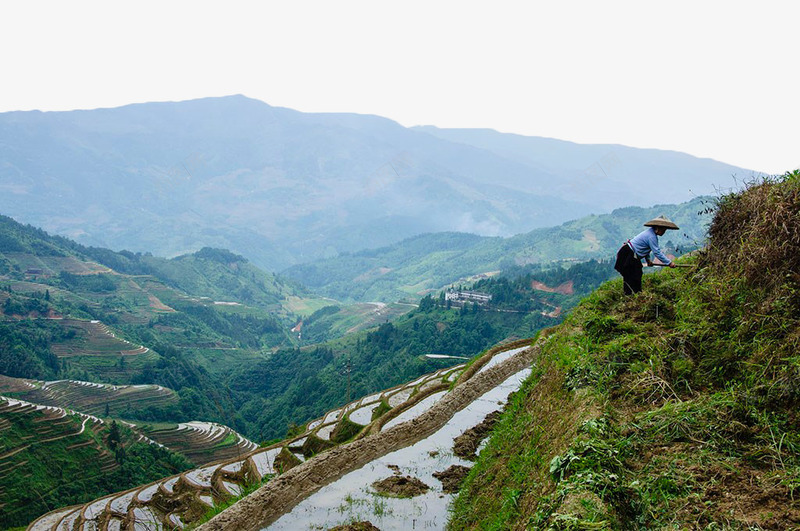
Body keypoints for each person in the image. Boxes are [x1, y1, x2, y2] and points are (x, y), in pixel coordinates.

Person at [614, 215, 679, 295]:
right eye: (663, 229)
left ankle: (634, 296)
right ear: (658, 228)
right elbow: (657, 252)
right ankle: (632, 296)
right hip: (627, 254)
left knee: (635, 274)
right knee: (632, 275)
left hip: (629, 253)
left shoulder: (650, 234)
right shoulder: (651, 236)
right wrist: (669, 263)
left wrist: (648, 260)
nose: (664, 232)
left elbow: (646, 249)